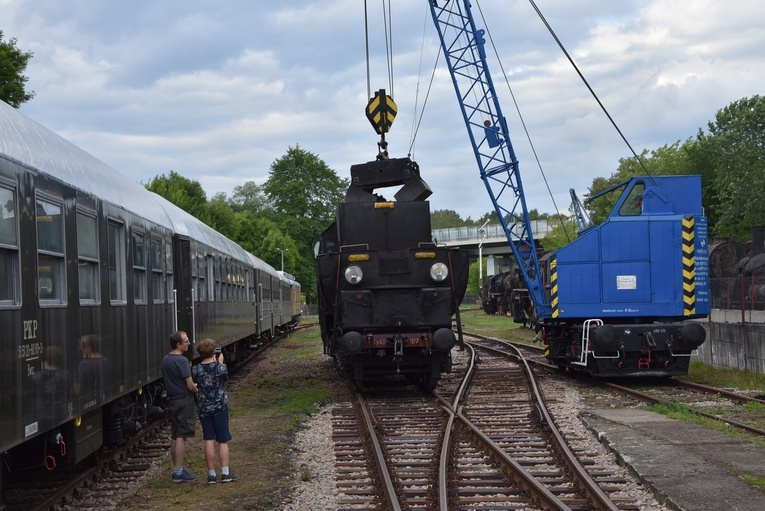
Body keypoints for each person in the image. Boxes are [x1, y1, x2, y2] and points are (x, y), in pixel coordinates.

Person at [191, 339, 239, 484]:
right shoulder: (221, 368)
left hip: (204, 407)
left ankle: (211, 474)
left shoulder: (196, 369)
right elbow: (225, 382)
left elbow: (196, 384)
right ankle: (225, 472)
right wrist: (221, 363)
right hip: (220, 407)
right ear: (214, 352)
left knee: (209, 439)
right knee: (223, 440)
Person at [162, 331, 198, 483]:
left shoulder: (166, 359)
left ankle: (177, 468)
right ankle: (178, 471)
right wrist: (197, 389)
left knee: (175, 435)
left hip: (173, 400)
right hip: (184, 400)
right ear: (178, 344)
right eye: (186, 341)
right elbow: (189, 385)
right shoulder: (182, 361)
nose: (189, 343)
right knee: (182, 436)